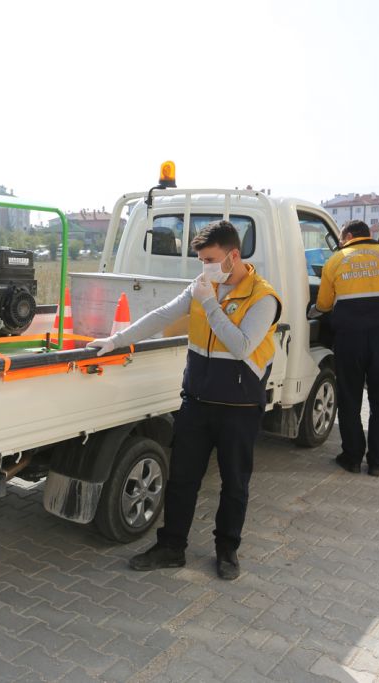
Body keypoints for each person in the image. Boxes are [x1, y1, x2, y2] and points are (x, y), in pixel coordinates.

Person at [87, 220, 282, 580]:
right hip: (197, 401)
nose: (203, 267)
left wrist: (210, 305)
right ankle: (171, 547)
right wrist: (116, 341)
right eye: (201, 260)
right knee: (182, 480)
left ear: (233, 256)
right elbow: (162, 316)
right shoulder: (203, 286)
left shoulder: (263, 297)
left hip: (239, 408)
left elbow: (241, 346)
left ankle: (227, 550)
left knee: (234, 484)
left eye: (210, 259)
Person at [314, 219, 379, 477]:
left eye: (340, 238)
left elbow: (325, 303)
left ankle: (351, 458)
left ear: (348, 235)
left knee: (350, 400)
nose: (340, 243)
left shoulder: (336, 261)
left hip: (350, 340)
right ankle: (377, 462)